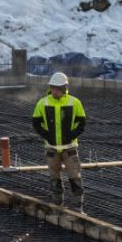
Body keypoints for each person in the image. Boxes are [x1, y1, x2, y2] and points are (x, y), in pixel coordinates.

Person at [31, 72, 87, 209]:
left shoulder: (74, 102)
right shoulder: (42, 103)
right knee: (54, 177)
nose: (54, 91)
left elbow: (82, 123)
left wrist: (72, 135)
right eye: (52, 87)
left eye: (57, 88)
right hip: (51, 147)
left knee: (75, 176)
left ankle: (77, 207)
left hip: (70, 147)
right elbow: (36, 123)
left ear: (63, 88)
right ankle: (57, 204)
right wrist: (46, 136)